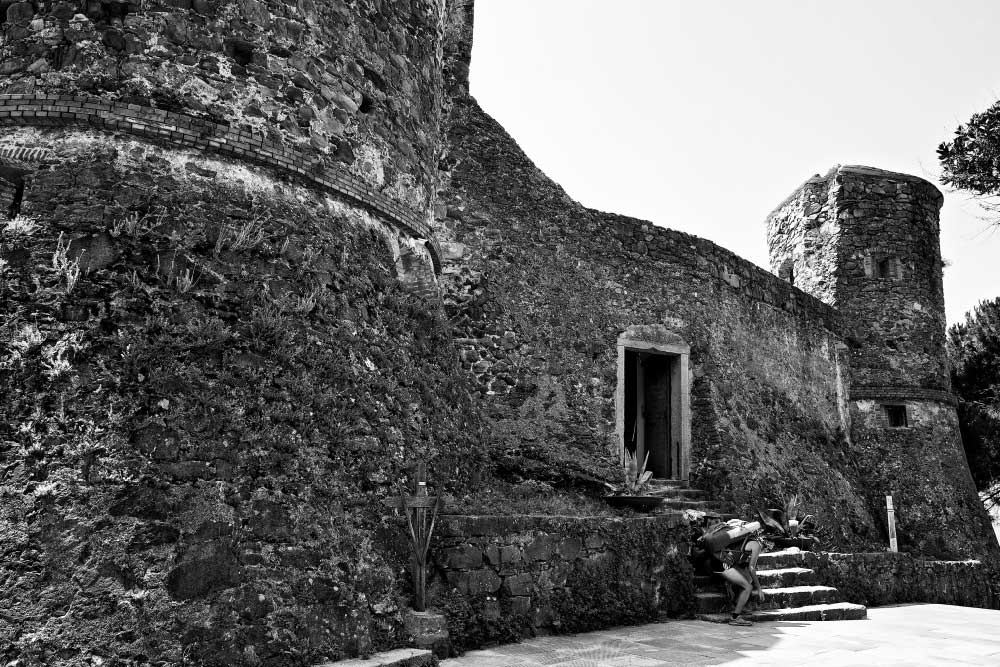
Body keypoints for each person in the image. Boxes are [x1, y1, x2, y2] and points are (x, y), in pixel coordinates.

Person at [695, 519, 766, 626]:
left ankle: (738, 604)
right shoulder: (757, 545)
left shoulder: (742, 534)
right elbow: (752, 568)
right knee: (748, 587)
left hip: (716, 559)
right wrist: (759, 588)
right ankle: (735, 617)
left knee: (748, 578)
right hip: (720, 564)